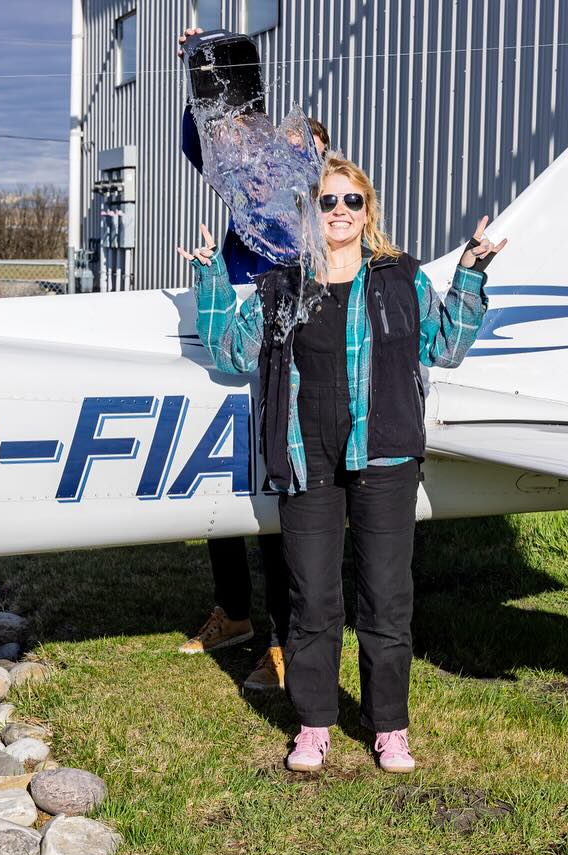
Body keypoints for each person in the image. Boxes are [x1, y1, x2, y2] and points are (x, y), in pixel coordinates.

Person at [178, 156, 505, 773]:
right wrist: (213, 274)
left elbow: (448, 346)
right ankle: (313, 724)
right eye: (327, 202)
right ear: (310, 211)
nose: (339, 213)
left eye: (351, 202)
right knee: (312, 600)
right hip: (308, 456)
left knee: (385, 597)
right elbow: (228, 351)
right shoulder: (284, 283)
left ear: (367, 211)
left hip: (384, 453)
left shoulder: (400, 278)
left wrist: (469, 274)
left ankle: (389, 727)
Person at [173, 27, 330, 696]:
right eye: (289, 144)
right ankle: (234, 613)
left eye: (311, 148)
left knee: (275, 496)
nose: (293, 154)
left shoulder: (317, 223)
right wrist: (202, 78)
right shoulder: (246, 202)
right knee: (223, 494)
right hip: (233, 340)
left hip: (288, 352)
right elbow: (201, 145)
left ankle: (281, 642)